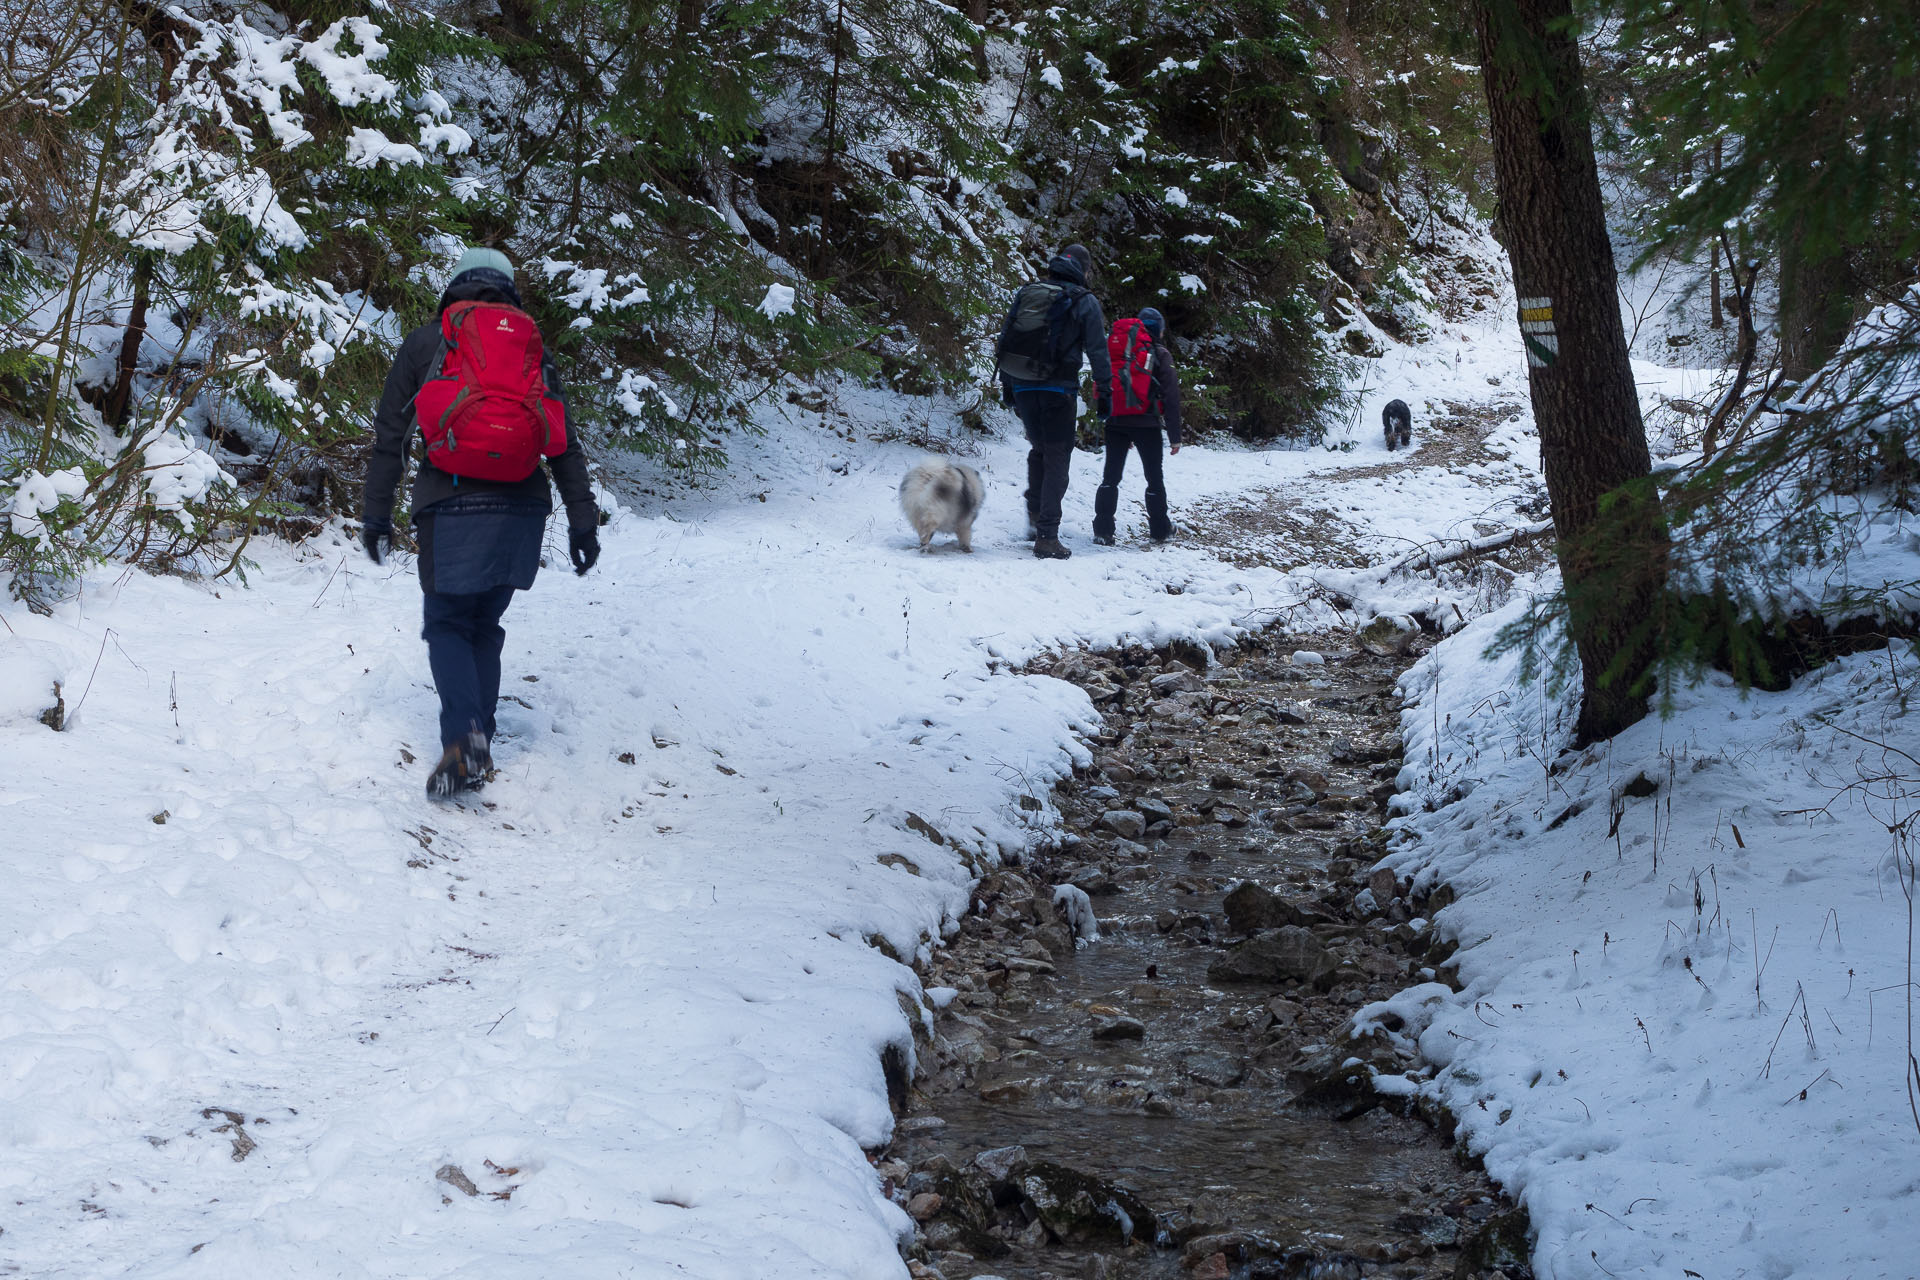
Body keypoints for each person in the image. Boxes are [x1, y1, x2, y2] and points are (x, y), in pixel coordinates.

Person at [360, 247, 601, 799]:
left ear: (456, 285)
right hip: (521, 511)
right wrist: (582, 521)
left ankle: (466, 739)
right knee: (484, 627)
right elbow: (564, 445)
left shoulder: (429, 342)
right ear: (508, 288)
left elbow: (389, 438)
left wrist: (376, 513)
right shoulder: (529, 351)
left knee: (447, 623)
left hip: (450, 506)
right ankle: (478, 741)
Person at [995, 244, 1111, 560]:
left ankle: (1035, 518)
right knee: (1057, 456)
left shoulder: (1029, 291)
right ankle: (1047, 535)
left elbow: (1007, 337)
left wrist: (1008, 383)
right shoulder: (1084, 301)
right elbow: (1098, 352)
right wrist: (1105, 392)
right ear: (1083, 270)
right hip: (1058, 390)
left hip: (1022, 385)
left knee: (1039, 449)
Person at [1093, 307, 1183, 546]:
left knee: (1110, 476)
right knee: (1154, 477)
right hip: (1147, 423)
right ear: (1159, 330)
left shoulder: (1119, 352)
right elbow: (1171, 396)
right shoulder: (1160, 354)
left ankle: (1102, 529)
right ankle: (1160, 530)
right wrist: (1175, 436)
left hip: (1116, 420)